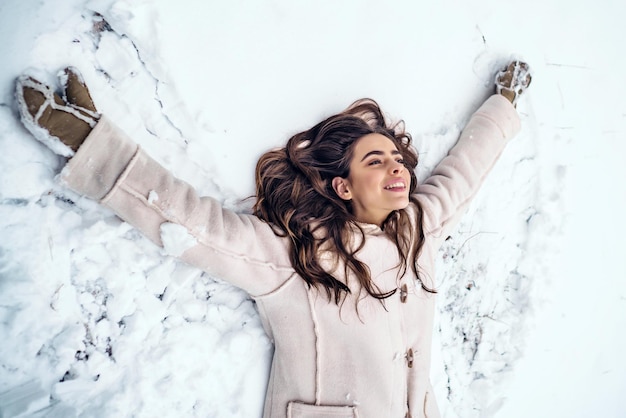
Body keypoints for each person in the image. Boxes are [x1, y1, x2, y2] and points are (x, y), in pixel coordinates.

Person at [15, 61, 531, 418]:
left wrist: (503, 105)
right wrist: (93, 143)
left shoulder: (417, 227)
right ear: (342, 186)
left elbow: (464, 174)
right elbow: (198, 226)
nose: (396, 167)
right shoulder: (303, 255)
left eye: (397, 159)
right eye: (376, 161)